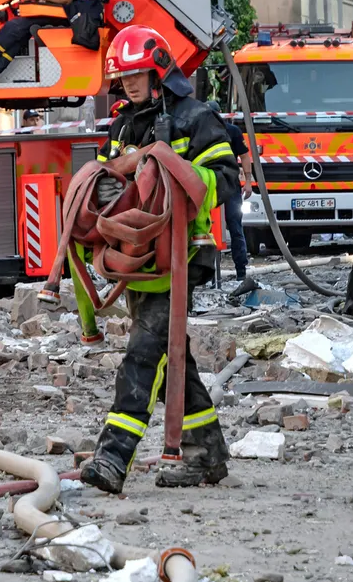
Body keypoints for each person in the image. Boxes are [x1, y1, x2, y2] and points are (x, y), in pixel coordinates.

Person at [78, 25, 239, 493]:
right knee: (172, 356)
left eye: (137, 74)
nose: (128, 84)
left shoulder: (195, 117)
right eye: (122, 77)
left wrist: (176, 178)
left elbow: (226, 178)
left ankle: (112, 457)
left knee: (143, 354)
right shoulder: (124, 124)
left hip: (181, 255)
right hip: (136, 257)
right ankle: (207, 453)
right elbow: (108, 182)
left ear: (160, 71)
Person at [208, 100, 252, 280]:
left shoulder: (232, 131)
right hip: (210, 186)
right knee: (207, 229)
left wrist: (248, 181)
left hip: (229, 186)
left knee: (235, 227)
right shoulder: (200, 132)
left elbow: (244, 156)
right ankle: (209, 273)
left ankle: (241, 272)